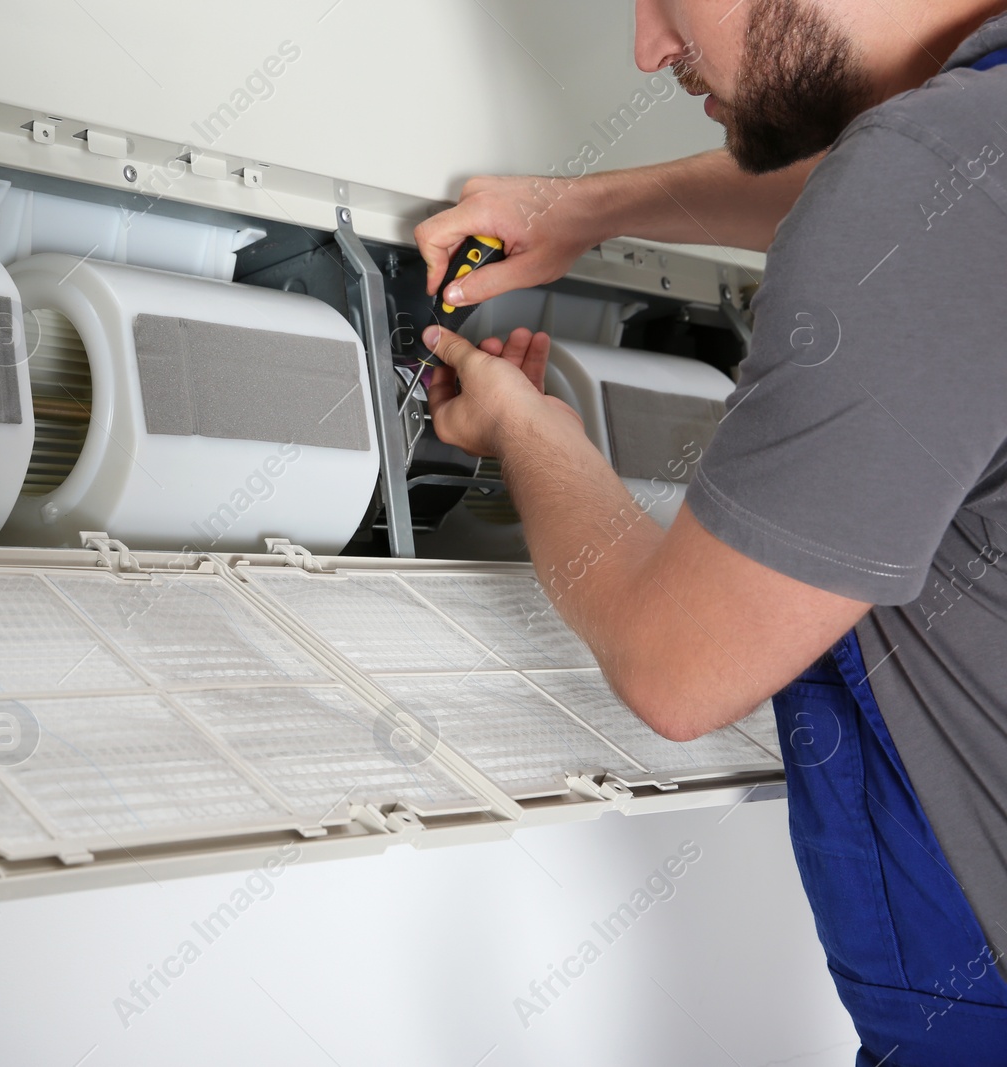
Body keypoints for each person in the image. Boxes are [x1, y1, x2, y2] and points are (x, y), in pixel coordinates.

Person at [414, 1, 1007, 1061]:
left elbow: (677, 665)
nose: (648, 47)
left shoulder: (925, 173)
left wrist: (527, 431)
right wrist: (586, 211)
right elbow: (916, 194)